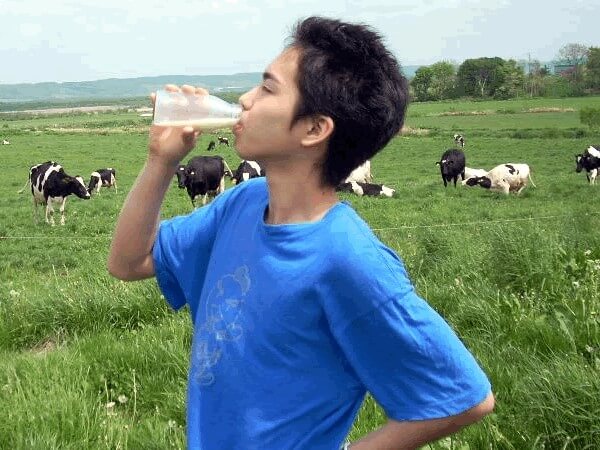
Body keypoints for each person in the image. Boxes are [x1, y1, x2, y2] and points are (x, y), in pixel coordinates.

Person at [108, 16, 494, 450]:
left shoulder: (347, 258)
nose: (245, 99)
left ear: (314, 129)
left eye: (267, 88)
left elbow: (466, 398)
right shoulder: (243, 202)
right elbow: (128, 262)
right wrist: (161, 161)